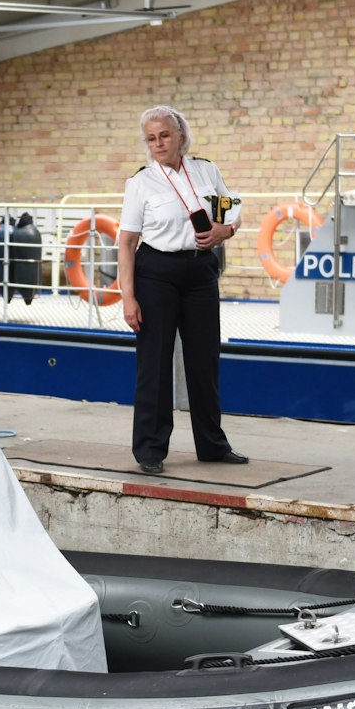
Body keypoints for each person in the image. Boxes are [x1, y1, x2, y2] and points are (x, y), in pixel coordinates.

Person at [116, 105, 248, 475]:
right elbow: (126, 243)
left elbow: (233, 208)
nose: (158, 143)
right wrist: (128, 297)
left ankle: (213, 445)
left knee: (204, 360)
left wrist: (226, 230)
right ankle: (150, 450)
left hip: (201, 271)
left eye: (165, 135)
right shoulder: (140, 183)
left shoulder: (207, 170)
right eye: (152, 138)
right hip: (157, 272)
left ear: (181, 136)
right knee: (154, 364)